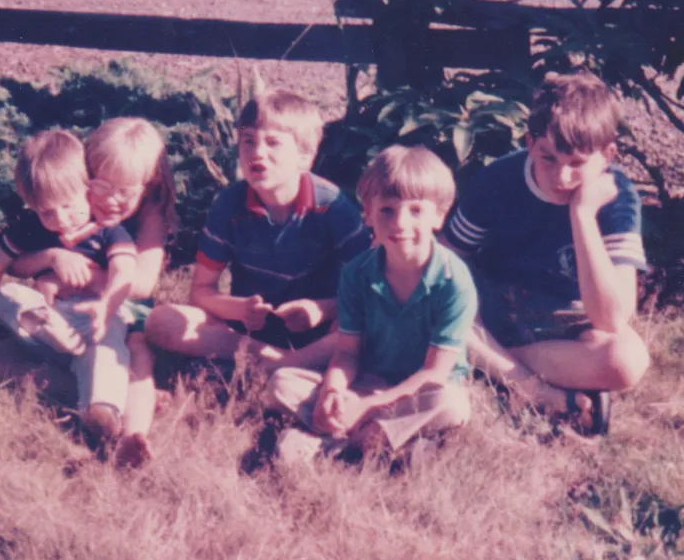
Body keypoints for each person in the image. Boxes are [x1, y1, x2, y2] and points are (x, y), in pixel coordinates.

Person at [443, 72, 650, 435]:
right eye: (548, 158)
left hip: (568, 328)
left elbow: (611, 319)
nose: (561, 177)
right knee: (439, 296)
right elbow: (448, 257)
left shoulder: (617, 196)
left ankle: (490, 366)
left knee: (626, 362)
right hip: (498, 315)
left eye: (577, 164)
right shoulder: (500, 179)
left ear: (607, 156)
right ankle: (534, 389)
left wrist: (582, 215)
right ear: (529, 142)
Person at [0, 118, 176, 468]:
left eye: (125, 191)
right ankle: (98, 397)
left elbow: (140, 283)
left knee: (137, 351)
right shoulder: (66, 209)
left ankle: (132, 432)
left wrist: (66, 281)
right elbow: (18, 265)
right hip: (61, 325)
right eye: (101, 187)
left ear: (148, 185)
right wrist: (53, 260)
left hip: (123, 317)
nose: (112, 200)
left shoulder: (148, 215)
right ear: (85, 176)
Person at [262, 145, 475, 464]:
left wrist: (366, 408)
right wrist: (332, 392)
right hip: (369, 380)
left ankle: (337, 443)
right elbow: (347, 352)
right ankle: (372, 443)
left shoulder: (452, 281)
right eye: (387, 210)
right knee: (282, 384)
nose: (400, 223)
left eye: (416, 210)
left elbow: (434, 373)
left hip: (420, 391)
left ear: (439, 216)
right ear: (368, 214)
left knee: (453, 405)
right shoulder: (358, 273)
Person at [145, 89, 370, 371]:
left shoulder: (334, 207)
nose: (257, 152)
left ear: (305, 156)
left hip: (320, 329)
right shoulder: (229, 206)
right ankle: (282, 363)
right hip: (250, 331)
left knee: (361, 326)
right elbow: (201, 292)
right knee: (161, 321)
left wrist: (320, 310)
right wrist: (241, 310)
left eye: (273, 143)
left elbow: (368, 292)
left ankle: (270, 365)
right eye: (248, 141)